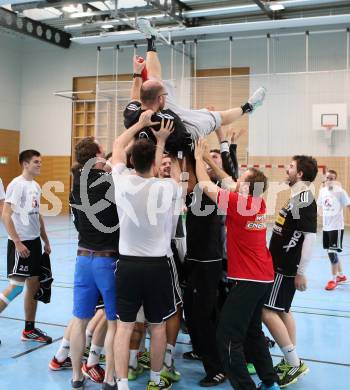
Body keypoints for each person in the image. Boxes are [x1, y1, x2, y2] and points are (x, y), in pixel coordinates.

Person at [194, 138, 279, 390]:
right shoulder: (256, 201)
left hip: (249, 279)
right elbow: (228, 180)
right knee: (253, 332)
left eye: (243, 179)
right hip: (263, 277)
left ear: (247, 187)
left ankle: (245, 386)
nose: (237, 179)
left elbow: (205, 184)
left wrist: (198, 158)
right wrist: (210, 159)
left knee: (228, 336)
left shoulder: (239, 204)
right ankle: (270, 381)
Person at [123, 18, 266, 156]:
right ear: (161, 99)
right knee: (219, 117)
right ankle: (248, 107)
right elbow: (176, 155)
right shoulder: (174, 128)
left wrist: (137, 73)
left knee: (154, 79)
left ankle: (151, 38)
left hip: (165, 111)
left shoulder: (132, 112)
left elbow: (134, 98)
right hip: (184, 129)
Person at [112, 111, 179, 390]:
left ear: (131, 162)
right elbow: (166, 171)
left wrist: (139, 124)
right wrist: (162, 139)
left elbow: (117, 146)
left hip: (127, 265)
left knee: (124, 326)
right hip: (157, 266)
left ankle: (123, 384)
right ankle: (154, 380)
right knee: (158, 326)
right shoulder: (168, 188)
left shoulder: (123, 182)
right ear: (154, 163)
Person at [262, 155, 318, 388]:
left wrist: (301, 271)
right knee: (284, 310)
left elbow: (310, 238)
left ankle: (294, 363)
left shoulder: (305, 199)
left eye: (291, 167)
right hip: (279, 264)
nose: (287, 169)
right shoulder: (296, 197)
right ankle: (290, 359)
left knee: (266, 311)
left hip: (284, 268)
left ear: (300, 174)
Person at [68, 137, 119, 390]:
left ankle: (76, 376)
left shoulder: (75, 185)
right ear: (99, 155)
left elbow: (77, 221)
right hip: (106, 260)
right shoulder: (109, 182)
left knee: (80, 320)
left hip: (82, 258)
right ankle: (109, 379)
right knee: (113, 323)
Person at [0, 150, 52, 343]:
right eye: (36, 162)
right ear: (25, 164)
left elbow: (37, 215)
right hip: (20, 243)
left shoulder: (36, 186)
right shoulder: (17, 184)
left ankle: (29, 330)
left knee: (33, 285)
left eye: (40, 161)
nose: (40, 164)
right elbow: (6, 215)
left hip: (34, 242)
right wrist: (17, 242)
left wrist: (45, 240)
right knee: (16, 288)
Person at [317, 169, 350, 290]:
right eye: (327, 178)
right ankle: (341, 276)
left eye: (332, 178)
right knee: (332, 252)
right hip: (326, 227)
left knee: (331, 253)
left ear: (335, 180)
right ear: (325, 179)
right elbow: (319, 206)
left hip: (336, 227)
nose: (329, 180)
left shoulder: (340, 192)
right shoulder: (322, 191)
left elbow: (348, 205)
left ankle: (333, 279)